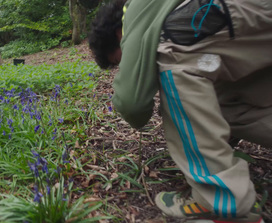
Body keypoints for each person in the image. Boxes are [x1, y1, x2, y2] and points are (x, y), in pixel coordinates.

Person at [89, 0, 272, 222]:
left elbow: (132, 103)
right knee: (223, 97)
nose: (126, 63)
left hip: (240, 11)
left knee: (170, 52)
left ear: (119, 34)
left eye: (121, 59)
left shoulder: (134, 11)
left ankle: (223, 204)